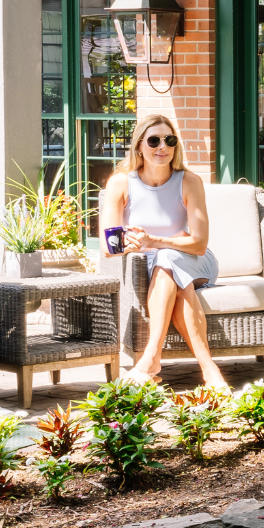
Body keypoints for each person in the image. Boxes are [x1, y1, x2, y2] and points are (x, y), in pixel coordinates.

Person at [100, 114, 229, 389]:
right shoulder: (121, 183)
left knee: (168, 257)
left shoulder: (188, 180)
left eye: (169, 140)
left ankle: (151, 357)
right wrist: (129, 244)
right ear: (139, 146)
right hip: (153, 268)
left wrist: (154, 240)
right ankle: (209, 369)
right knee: (180, 287)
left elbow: (199, 244)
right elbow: (109, 246)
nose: (163, 147)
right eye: (154, 140)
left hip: (196, 261)